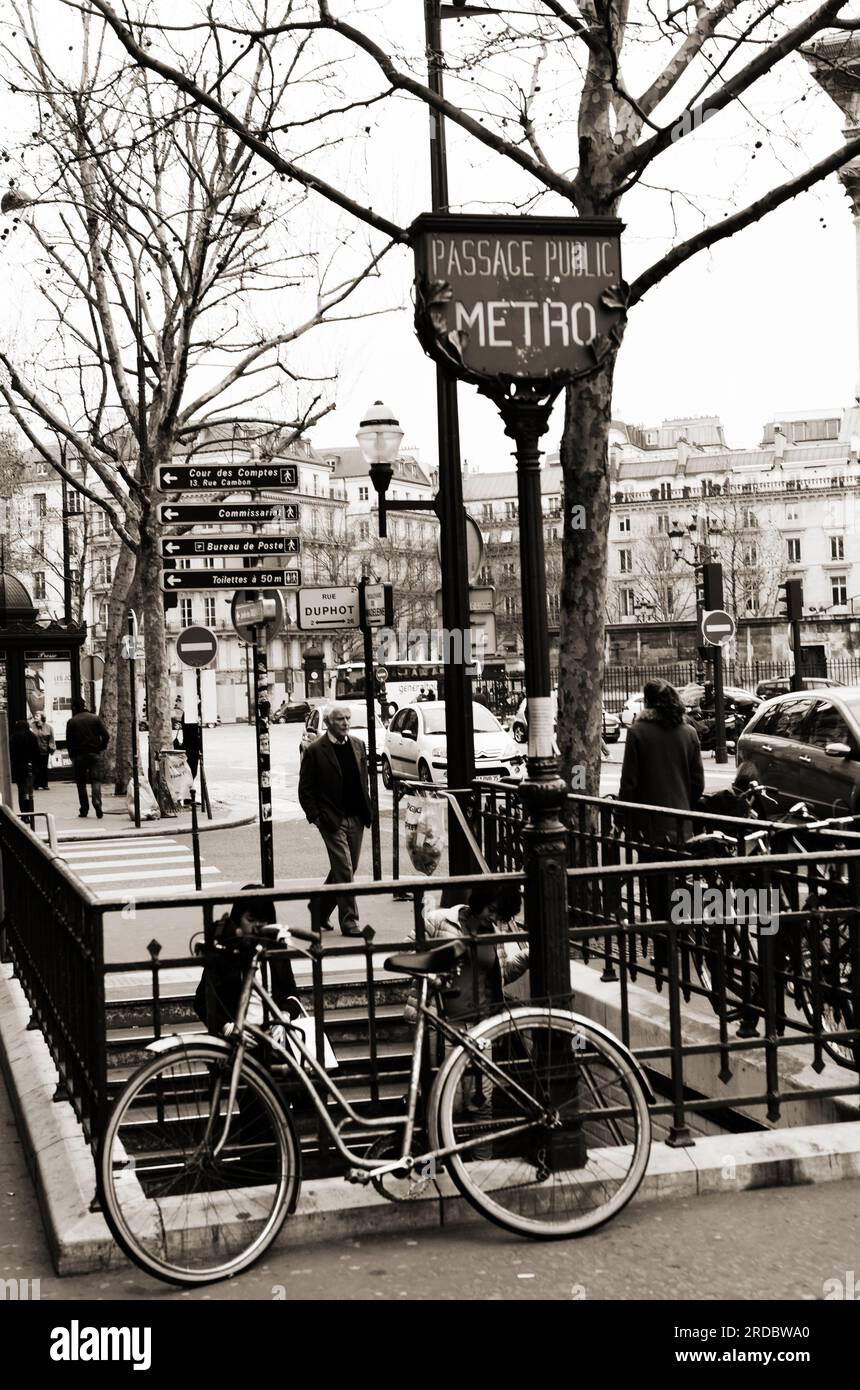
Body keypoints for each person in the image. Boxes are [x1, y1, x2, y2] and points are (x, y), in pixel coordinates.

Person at [619, 679, 705, 955]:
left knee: (655, 889)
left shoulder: (638, 733)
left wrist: (623, 819)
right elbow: (697, 783)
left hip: (651, 827)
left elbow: (629, 784)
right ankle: (684, 936)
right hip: (682, 826)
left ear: (647, 703)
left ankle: (663, 947)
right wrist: (685, 809)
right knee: (682, 883)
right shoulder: (689, 733)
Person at [298, 704, 372, 936]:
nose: (346, 723)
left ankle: (318, 909)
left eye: (348, 719)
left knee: (349, 868)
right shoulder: (315, 751)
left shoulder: (358, 745)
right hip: (332, 820)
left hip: (356, 817)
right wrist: (317, 818)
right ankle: (350, 921)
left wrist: (367, 809)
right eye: (340, 719)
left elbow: (363, 781)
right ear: (329, 723)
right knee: (344, 867)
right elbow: (305, 790)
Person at [194, 886, 300, 1035]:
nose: (257, 928)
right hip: (235, 1038)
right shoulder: (225, 952)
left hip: (273, 1036)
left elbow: (291, 994)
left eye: (263, 921)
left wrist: (284, 1017)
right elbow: (202, 1003)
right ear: (238, 920)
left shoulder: (276, 948)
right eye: (250, 920)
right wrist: (227, 1028)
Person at [65, 696, 110, 819]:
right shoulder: (94, 718)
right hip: (94, 753)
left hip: (79, 755)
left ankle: (84, 809)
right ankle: (97, 802)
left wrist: (71, 755)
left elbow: (69, 742)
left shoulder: (72, 722)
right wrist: (100, 747)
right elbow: (105, 735)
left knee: (81, 783)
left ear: (74, 707)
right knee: (95, 780)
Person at [9, 719, 40, 813]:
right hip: (31, 767)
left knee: (22, 791)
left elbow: (11, 754)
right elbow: (37, 753)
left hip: (19, 768)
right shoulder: (32, 737)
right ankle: (30, 811)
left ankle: (24, 813)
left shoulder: (13, 737)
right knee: (29, 790)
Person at [29, 712, 55, 789]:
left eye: (37, 715)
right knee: (35, 767)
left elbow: (51, 739)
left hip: (44, 750)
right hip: (34, 751)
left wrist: (52, 748)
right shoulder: (31, 726)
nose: (35, 716)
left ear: (42, 717)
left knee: (43, 767)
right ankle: (36, 784)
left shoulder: (49, 727)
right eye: (35, 715)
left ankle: (44, 784)